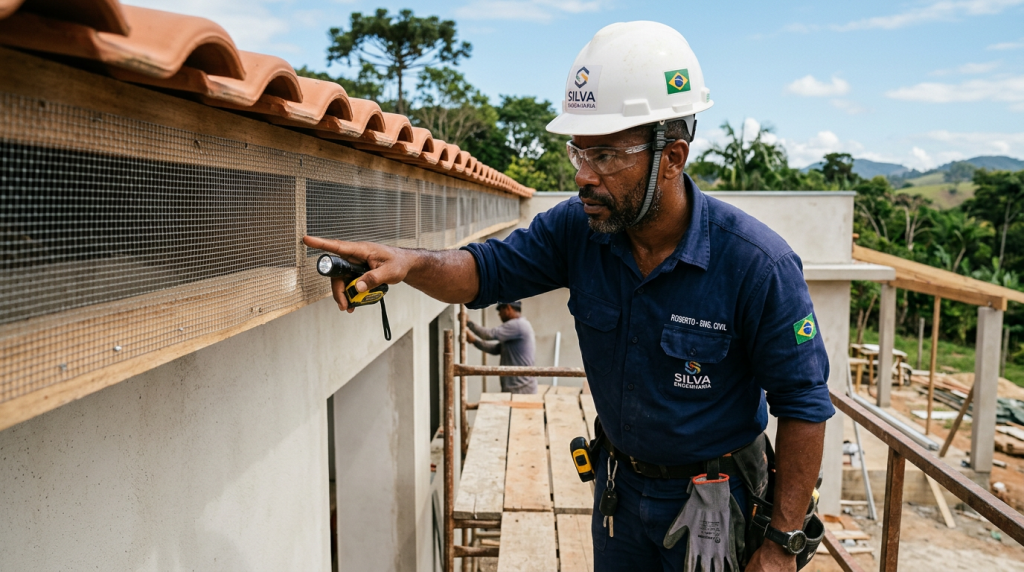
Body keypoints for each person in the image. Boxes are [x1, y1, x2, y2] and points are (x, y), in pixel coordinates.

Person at [304, 21, 833, 572]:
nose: (584, 176)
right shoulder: (577, 231)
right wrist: (410, 263)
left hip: (716, 506)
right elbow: (484, 272)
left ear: (672, 157)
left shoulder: (756, 265)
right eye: (578, 153)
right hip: (620, 496)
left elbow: (804, 404)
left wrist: (779, 545)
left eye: (606, 157)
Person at [465, 301, 537, 394]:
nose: (499, 314)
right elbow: (496, 349)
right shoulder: (520, 326)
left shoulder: (517, 325)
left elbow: (489, 335)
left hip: (520, 389)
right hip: (519, 387)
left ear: (508, 308)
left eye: (500, 310)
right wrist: (474, 341)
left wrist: (468, 323)